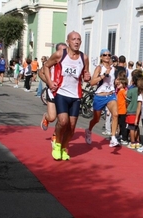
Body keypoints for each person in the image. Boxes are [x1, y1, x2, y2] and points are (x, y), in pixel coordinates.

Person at [43, 31, 90, 160]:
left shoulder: (84, 57)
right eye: (73, 39)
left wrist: (87, 76)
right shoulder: (60, 55)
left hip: (76, 95)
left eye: (79, 39)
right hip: (61, 93)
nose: (76, 41)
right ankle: (57, 145)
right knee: (63, 121)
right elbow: (46, 66)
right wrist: (49, 81)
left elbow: (86, 74)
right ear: (68, 41)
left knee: (72, 126)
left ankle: (64, 148)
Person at [85, 48, 119, 147]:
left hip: (111, 95)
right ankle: (89, 130)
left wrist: (116, 82)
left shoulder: (113, 68)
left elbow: (113, 81)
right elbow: (92, 82)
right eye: (105, 55)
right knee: (96, 119)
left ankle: (113, 138)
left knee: (115, 115)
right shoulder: (99, 68)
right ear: (101, 57)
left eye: (109, 55)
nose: (107, 57)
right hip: (100, 96)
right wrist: (104, 75)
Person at [40, 43, 68, 147]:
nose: (64, 53)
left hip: (65, 93)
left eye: (66, 50)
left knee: (63, 119)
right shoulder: (52, 61)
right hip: (53, 92)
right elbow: (40, 73)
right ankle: (46, 118)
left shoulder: (70, 61)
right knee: (52, 117)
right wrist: (49, 82)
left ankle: (55, 135)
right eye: (61, 50)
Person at [126, 69, 143, 149]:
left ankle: (132, 142)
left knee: (131, 127)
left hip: (131, 111)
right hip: (138, 111)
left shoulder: (131, 90)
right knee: (136, 127)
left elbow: (127, 101)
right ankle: (137, 141)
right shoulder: (141, 90)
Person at [116, 77, 129, 144]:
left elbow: (127, 99)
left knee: (123, 125)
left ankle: (124, 138)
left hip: (123, 110)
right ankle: (120, 135)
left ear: (123, 84)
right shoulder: (119, 91)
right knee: (120, 124)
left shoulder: (123, 91)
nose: (118, 84)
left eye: (120, 83)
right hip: (119, 110)